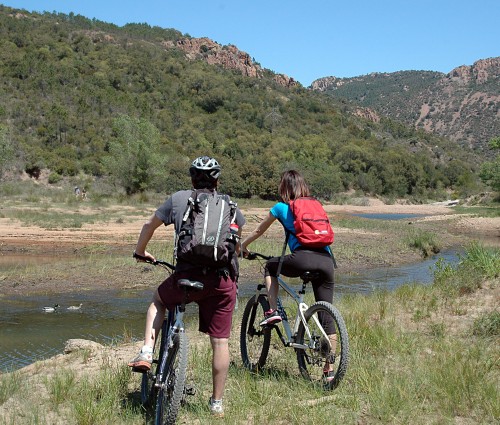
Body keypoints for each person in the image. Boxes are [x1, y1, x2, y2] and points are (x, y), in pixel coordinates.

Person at [128, 156, 245, 417]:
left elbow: (149, 225)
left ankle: (147, 352)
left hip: (187, 276)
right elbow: (235, 247)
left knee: (158, 301)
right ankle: (216, 404)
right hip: (221, 282)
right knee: (220, 341)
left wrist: (140, 251)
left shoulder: (179, 199)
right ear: (217, 180)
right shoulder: (232, 207)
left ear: (192, 178)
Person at [241, 169, 337, 380]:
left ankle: (272, 311)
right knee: (327, 316)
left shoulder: (281, 207)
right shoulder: (316, 207)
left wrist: (243, 246)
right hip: (327, 262)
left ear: (284, 188)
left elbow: (259, 231)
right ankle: (329, 372)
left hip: (302, 258)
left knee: (269, 267)